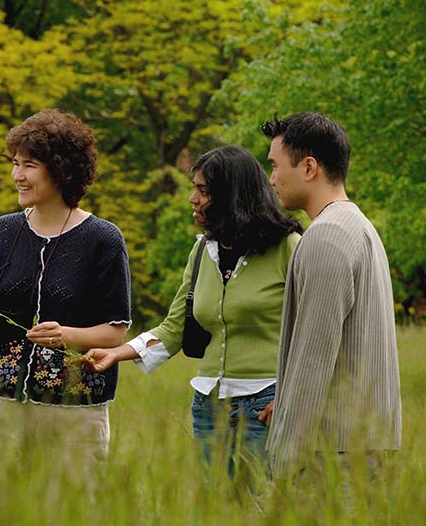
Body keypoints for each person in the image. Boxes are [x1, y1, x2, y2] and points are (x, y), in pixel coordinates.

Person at [87, 146, 302, 478]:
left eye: (203, 191)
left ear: (232, 195)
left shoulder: (288, 247)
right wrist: (117, 353)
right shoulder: (203, 250)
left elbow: (315, 329)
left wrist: (294, 397)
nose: (192, 199)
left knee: (264, 507)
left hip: (267, 406)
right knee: (216, 508)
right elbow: (174, 328)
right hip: (209, 408)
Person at [0, 109, 132, 485]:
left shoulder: (103, 239)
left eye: (29, 165)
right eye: (15, 164)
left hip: (73, 412)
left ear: (61, 170)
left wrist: (65, 335)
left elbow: (115, 333)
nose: (17, 175)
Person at [261, 112, 402, 478]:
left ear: (309, 167)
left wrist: (283, 460)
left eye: (275, 166)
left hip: (331, 453)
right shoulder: (359, 226)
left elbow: (313, 356)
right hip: (362, 443)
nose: (271, 179)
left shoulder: (327, 236)